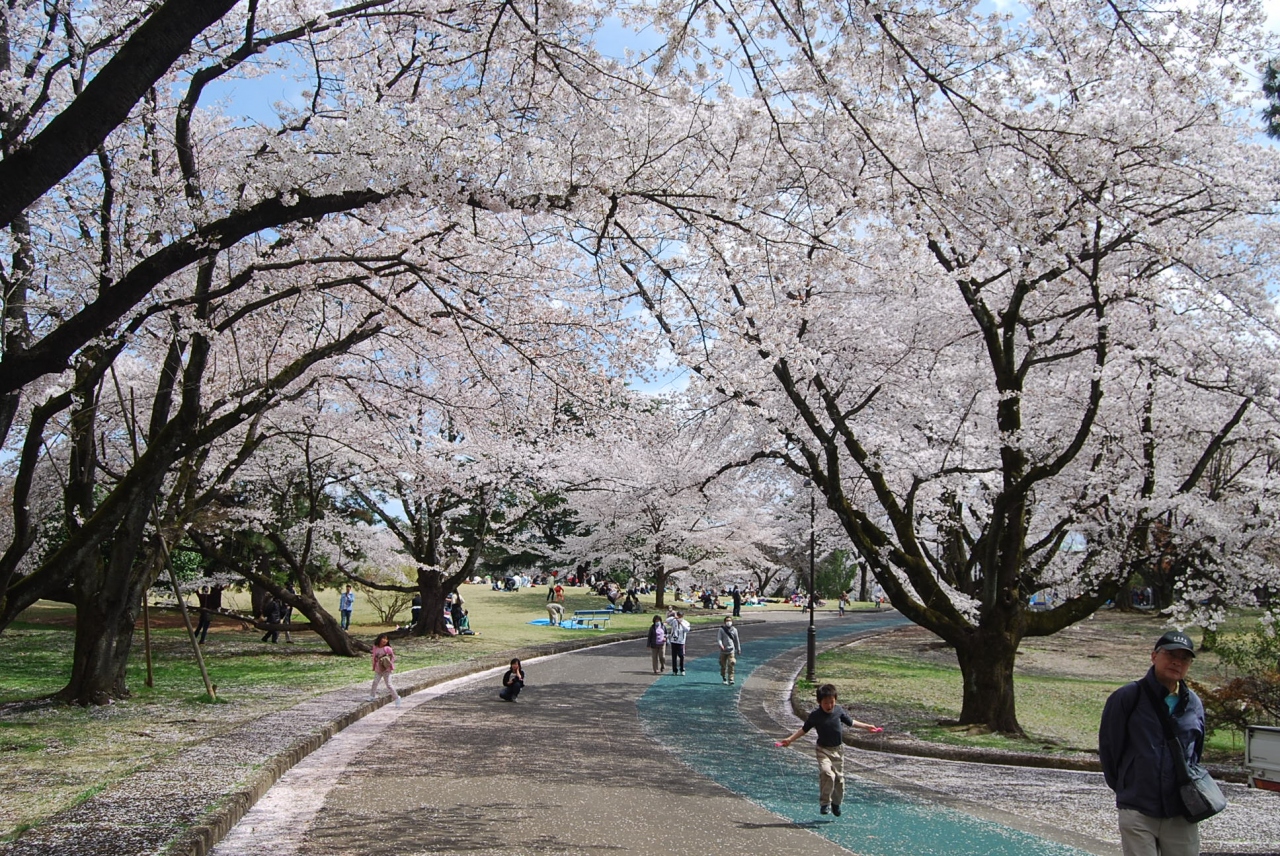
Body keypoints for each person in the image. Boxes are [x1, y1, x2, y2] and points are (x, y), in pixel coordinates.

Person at [1099, 630, 1206, 856]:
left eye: (1184, 658)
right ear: (1154, 656)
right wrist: (1127, 786)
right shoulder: (1128, 696)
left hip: (1180, 809)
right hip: (1138, 807)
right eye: (1170, 655)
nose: (1177, 662)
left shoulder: (1193, 703)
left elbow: (1195, 753)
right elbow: (1110, 749)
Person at [777, 683, 882, 817]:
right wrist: (790, 739)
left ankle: (836, 803)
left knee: (839, 779)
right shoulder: (815, 715)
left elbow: (851, 722)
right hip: (823, 750)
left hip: (838, 750)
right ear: (819, 702)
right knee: (828, 774)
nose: (829, 706)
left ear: (835, 700)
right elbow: (804, 730)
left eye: (832, 702)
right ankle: (825, 803)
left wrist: (867, 726)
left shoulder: (838, 711)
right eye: (826, 703)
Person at [368, 633, 401, 706]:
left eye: (386, 639)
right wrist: (374, 666)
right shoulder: (375, 648)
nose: (385, 640)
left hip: (386, 670)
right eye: (383, 638)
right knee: (375, 682)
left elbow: (392, 657)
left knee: (389, 685)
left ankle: (397, 698)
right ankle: (372, 696)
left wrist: (389, 664)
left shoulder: (387, 649)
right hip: (378, 669)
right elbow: (374, 657)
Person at [718, 615, 742, 685]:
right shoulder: (721, 630)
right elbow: (719, 638)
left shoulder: (734, 630)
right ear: (724, 622)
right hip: (723, 651)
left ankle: (731, 679)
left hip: (731, 650)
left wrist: (738, 649)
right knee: (723, 665)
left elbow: (737, 640)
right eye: (727, 621)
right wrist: (721, 645)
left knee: (731, 663)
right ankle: (724, 677)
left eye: (730, 621)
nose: (728, 622)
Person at [666, 610, 690, 675]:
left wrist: (681, 623)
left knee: (681, 656)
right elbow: (667, 621)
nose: (679, 618)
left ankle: (682, 669)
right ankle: (674, 670)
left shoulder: (686, 623)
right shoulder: (674, 621)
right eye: (678, 616)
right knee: (674, 656)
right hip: (674, 641)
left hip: (681, 642)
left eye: (680, 617)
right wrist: (674, 617)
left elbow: (687, 630)